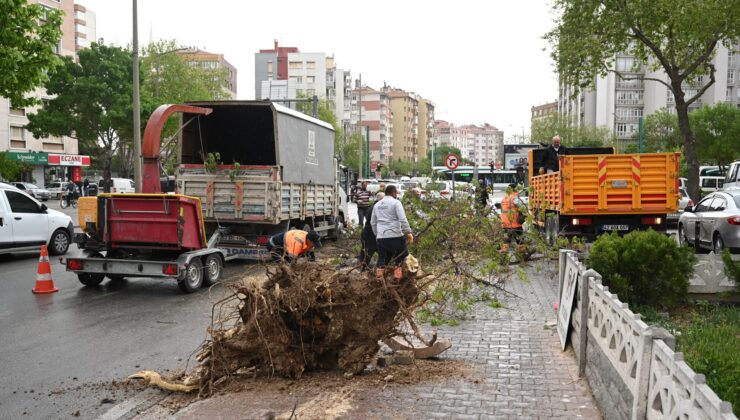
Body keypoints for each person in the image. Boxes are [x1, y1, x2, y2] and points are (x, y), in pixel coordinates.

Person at [371, 185, 413, 278]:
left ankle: (379, 280)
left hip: (381, 237)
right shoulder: (396, 203)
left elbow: (373, 222)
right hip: (395, 236)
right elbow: (402, 219)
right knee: (400, 257)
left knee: (382, 258)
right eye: (396, 193)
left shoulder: (377, 205)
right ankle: (397, 279)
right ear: (393, 192)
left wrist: (377, 235)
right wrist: (408, 232)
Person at [357, 192, 384, 270]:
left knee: (381, 254)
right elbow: (373, 223)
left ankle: (374, 271)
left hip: (371, 235)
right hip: (370, 236)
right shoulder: (375, 208)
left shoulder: (375, 207)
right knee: (367, 255)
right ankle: (361, 272)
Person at [500, 183, 526, 251]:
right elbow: (522, 208)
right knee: (519, 238)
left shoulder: (504, 198)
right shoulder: (514, 197)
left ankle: (503, 256)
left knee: (506, 239)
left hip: (505, 223)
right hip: (514, 223)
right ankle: (523, 254)